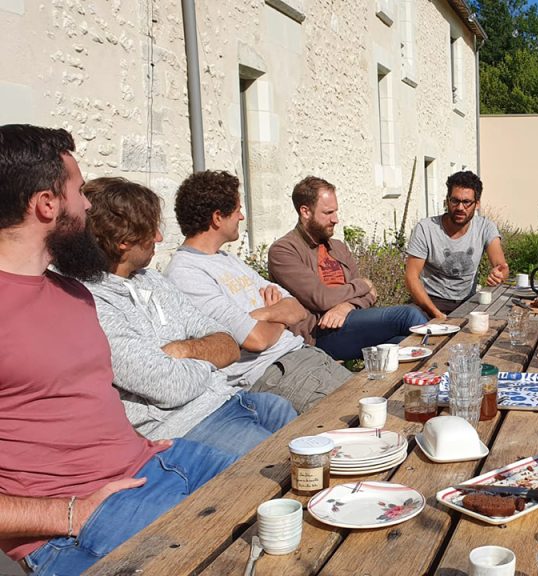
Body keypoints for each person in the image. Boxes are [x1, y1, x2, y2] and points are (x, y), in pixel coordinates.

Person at [0, 124, 236, 576]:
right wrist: (67, 514)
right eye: (77, 190)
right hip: (79, 521)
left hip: (159, 460)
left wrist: (138, 443)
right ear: (46, 205)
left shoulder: (74, 293)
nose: (88, 203)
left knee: (298, 494)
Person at [81, 177, 296, 456]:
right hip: (189, 424)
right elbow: (167, 386)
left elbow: (228, 343)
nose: (159, 238)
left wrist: (183, 350)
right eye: (151, 229)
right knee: (287, 460)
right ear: (123, 240)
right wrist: (207, 361)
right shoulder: (92, 303)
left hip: (231, 398)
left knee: (292, 422)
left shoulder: (152, 281)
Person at [164, 171, 351, 412]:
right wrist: (276, 314)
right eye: (237, 210)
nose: (242, 216)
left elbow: (296, 309)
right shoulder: (187, 273)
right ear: (218, 217)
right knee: (363, 420)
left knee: (378, 401)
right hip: (275, 373)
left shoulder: (227, 259)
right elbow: (256, 339)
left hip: (303, 356)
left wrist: (261, 315)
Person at [268, 176, 428, 361]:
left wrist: (347, 306)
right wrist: (363, 284)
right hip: (320, 334)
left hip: (352, 320)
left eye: (335, 211)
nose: (335, 219)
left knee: (403, 343)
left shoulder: (337, 247)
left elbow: (371, 294)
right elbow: (322, 298)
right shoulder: (284, 250)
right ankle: (444, 378)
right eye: (328, 213)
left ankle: (431, 384)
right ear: (305, 211)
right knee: (408, 315)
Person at [405, 170, 508, 318]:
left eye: (466, 202)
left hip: (468, 303)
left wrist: (498, 275)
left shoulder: (485, 227)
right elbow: (411, 277)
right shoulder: (426, 228)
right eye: (455, 201)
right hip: (429, 302)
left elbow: (501, 267)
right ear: (447, 200)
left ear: (477, 204)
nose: (460, 208)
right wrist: (436, 313)